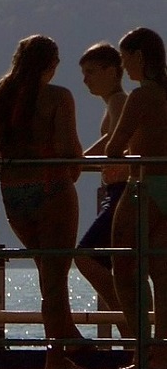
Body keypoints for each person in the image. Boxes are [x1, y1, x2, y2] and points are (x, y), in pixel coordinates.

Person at [0, 35, 86, 369]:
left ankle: (64, 340)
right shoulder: (58, 97)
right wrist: (71, 173)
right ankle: (57, 356)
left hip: (14, 192)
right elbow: (68, 148)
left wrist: (5, 157)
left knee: (48, 274)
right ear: (51, 64)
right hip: (52, 186)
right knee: (56, 275)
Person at [106, 27, 167, 369]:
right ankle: (161, 353)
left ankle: (141, 346)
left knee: (124, 266)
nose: (124, 67)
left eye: (126, 58)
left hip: (144, 184)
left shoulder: (142, 96)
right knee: (162, 273)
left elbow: (115, 147)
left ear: (139, 56)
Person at [75, 43, 130, 312]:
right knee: (124, 268)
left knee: (86, 257)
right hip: (115, 192)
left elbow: (117, 139)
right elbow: (110, 139)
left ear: (112, 71)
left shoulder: (120, 101)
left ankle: (127, 318)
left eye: (91, 72)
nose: (86, 79)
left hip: (122, 192)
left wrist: (79, 162)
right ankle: (134, 331)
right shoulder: (112, 104)